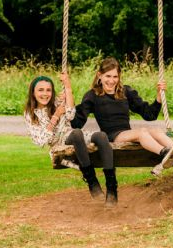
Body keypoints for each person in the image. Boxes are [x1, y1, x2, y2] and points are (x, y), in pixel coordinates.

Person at [72, 57, 173, 176]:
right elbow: (77, 123)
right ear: (100, 75)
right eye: (108, 76)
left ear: (119, 77)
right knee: (142, 132)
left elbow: (149, 115)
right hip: (111, 136)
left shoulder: (125, 92)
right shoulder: (92, 96)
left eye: (115, 76)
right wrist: (68, 105)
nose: (111, 80)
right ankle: (165, 153)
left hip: (127, 133)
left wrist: (159, 97)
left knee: (156, 131)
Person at [23, 73, 118, 207]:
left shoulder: (57, 102)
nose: (45, 94)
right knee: (77, 133)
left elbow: (71, 115)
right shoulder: (30, 114)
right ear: (33, 93)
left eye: (48, 90)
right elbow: (41, 141)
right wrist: (55, 117)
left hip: (72, 134)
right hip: (59, 143)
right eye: (40, 90)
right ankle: (92, 181)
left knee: (101, 136)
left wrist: (67, 86)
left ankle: (112, 189)